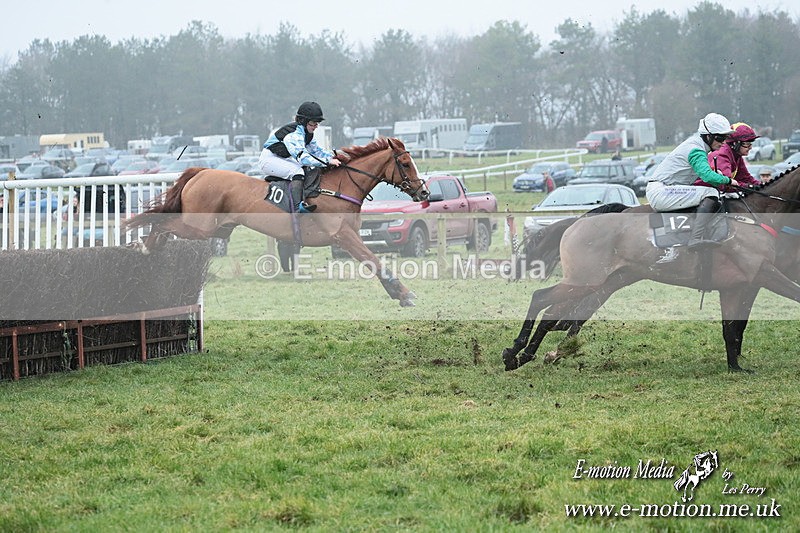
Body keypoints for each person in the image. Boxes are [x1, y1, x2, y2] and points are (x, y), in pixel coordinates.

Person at [645, 112, 736, 249]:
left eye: (726, 138)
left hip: (664, 190)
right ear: (708, 136)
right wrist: (728, 181)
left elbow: (706, 174)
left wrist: (716, 176)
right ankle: (695, 238)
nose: (723, 142)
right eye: (720, 138)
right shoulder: (696, 150)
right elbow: (708, 177)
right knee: (710, 193)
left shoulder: (697, 146)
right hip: (661, 192)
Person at [258, 101, 343, 213]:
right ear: (303, 121)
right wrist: (327, 162)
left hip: (281, 158)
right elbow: (303, 157)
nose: (316, 126)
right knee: (298, 172)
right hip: (269, 160)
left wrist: (337, 155)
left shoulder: (307, 134)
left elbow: (318, 151)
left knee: (306, 169)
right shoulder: (293, 134)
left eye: (317, 123)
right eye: (313, 123)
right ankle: (297, 208)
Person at [699, 122, 761, 192]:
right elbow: (725, 185)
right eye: (747, 144)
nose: (750, 148)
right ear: (735, 143)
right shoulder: (722, 154)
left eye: (751, 143)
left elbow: (745, 178)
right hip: (702, 191)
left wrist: (762, 185)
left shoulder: (737, 155)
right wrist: (749, 186)